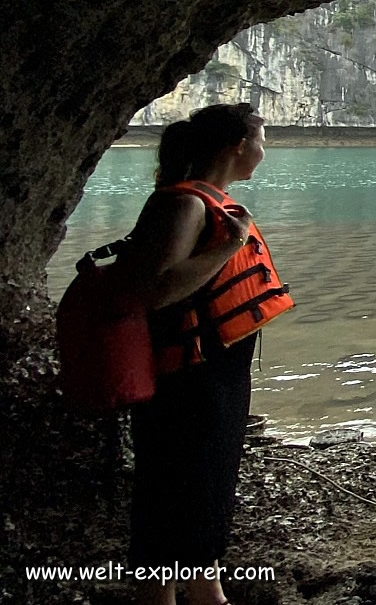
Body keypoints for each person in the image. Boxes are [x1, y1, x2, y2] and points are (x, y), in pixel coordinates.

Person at [115, 103, 294, 605]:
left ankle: (205, 591)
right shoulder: (184, 205)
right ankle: (166, 597)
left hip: (213, 374)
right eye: (262, 138)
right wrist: (229, 244)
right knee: (178, 488)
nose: (264, 149)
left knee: (206, 488)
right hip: (186, 379)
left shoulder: (207, 199)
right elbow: (155, 292)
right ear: (239, 146)